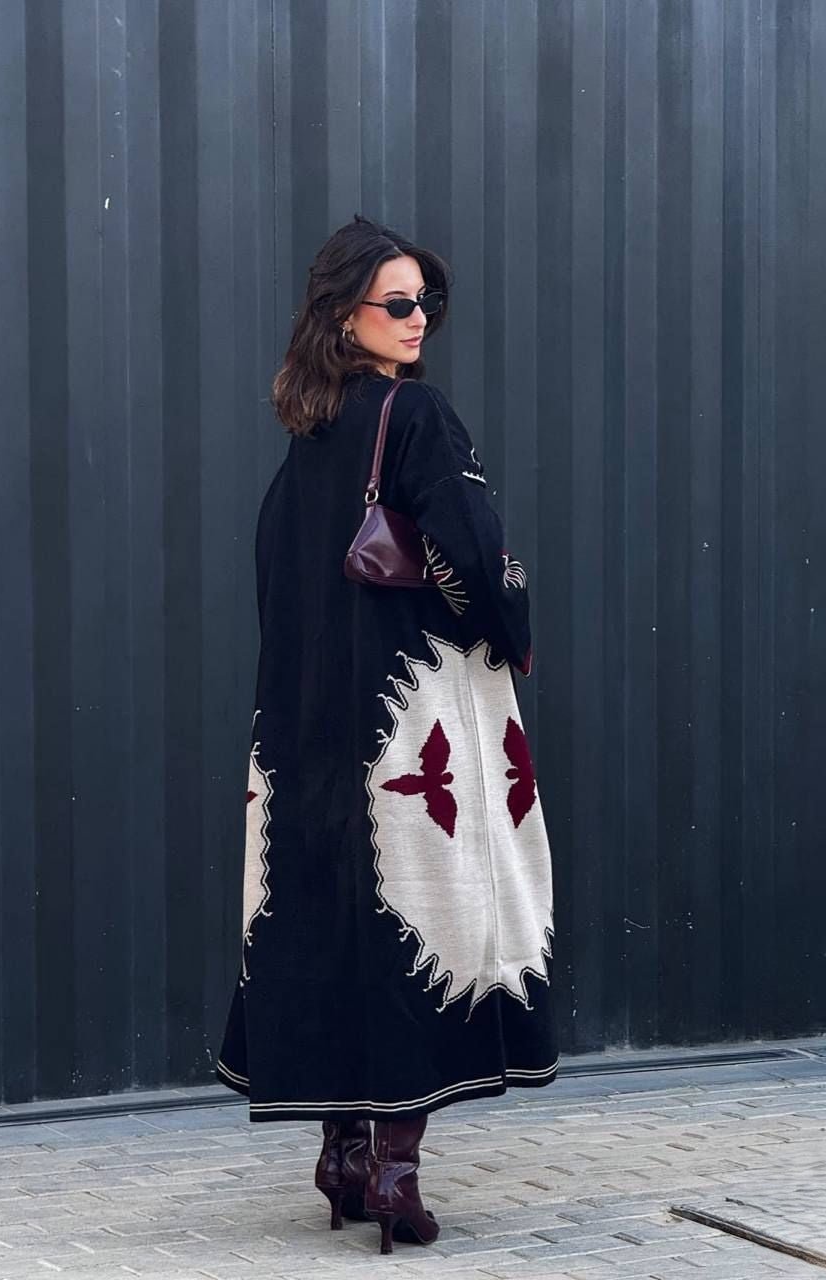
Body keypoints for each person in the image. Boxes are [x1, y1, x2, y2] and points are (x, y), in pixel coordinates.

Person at [215, 213, 559, 1256]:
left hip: (308, 730)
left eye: (426, 304)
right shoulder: (415, 415)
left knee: (333, 916)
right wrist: (509, 625)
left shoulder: (307, 439)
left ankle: (341, 1156)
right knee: (427, 908)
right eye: (398, 303)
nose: (418, 321)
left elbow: (274, 582)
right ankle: (395, 1170)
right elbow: (471, 545)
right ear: (342, 316)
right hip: (409, 725)